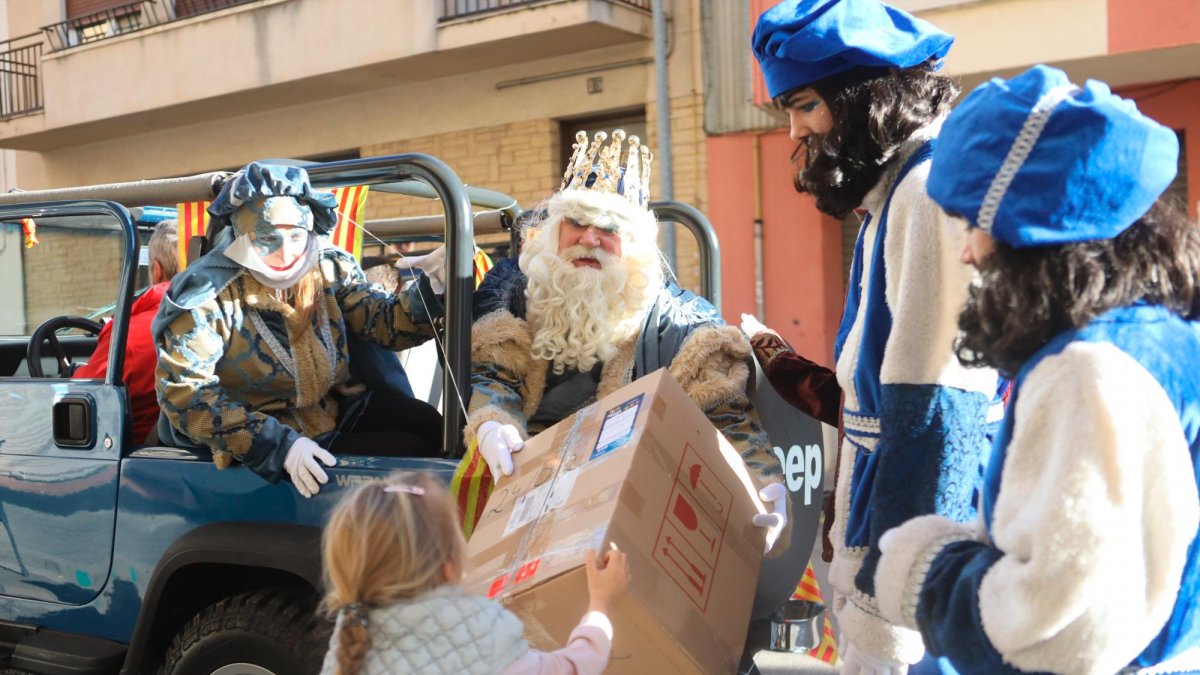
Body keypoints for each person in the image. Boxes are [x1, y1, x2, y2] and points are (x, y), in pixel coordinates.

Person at [872, 64, 1200, 675]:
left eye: (974, 223)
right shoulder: (1162, 334)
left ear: (1030, 230)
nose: (966, 249)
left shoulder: (1086, 371)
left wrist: (923, 568)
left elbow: (1058, 624)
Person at [749, 1, 1004, 671]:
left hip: (927, 563)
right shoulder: (891, 199)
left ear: (861, 95)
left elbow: (939, 416)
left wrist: (892, 605)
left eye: (805, 106)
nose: (796, 132)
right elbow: (885, 394)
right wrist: (791, 371)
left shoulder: (924, 195)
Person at [455, 129, 788, 548]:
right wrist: (493, 422)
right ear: (557, 229)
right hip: (523, 472)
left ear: (633, 244)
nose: (590, 239)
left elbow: (726, 417)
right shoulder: (513, 289)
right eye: (577, 222)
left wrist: (762, 481)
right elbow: (493, 374)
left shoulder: (681, 322)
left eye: (609, 228)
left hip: (623, 485)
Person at [153, 163, 443, 498]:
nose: (287, 252)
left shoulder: (328, 268)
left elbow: (382, 323)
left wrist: (431, 290)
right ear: (243, 235)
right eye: (268, 239)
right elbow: (183, 393)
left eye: (296, 236)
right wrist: (277, 447)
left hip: (327, 413)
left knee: (429, 426)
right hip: (251, 438)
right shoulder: (208, 293)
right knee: (405, 457)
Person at [320, 471, 630, 675]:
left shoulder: (344, 649)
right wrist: (600, 603)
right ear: (449, 568)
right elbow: (573, 668)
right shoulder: (483, 635)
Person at [74, 218, 179, 444]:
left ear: (156, 270)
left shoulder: (128, 336)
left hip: (137, 459)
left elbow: (83, 400)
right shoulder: (228, 319)